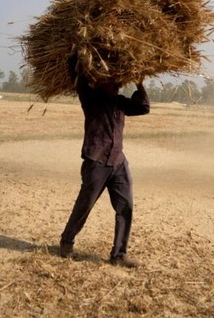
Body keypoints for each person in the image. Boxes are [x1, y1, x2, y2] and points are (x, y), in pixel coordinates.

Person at [59, 72, 150, 268]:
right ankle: (67, 241)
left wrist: (140, 84)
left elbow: (143, 107)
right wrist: (81, 55)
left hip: (118, 162)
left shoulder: (120, 103)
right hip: (96, 161)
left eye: (118, 83)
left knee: (126, 207)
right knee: (85, 204)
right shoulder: (91, 99)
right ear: (101, 82)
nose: (116, 85)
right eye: (112, 82)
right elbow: (79, 76)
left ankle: (118, 255)